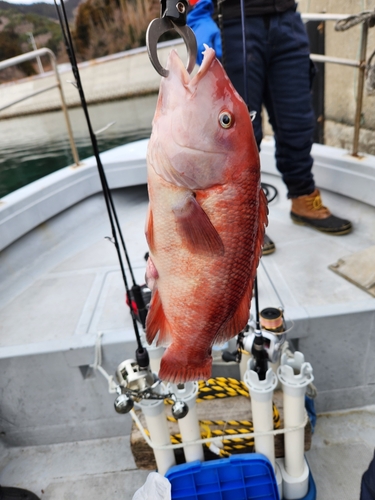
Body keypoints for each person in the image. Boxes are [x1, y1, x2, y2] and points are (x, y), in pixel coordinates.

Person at [187, 0, 352, 254]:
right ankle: (242, 217)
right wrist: (198, 13)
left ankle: (303, 197)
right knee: (239, 135)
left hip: (286, 19)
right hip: (232, 23)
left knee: (298, 122)